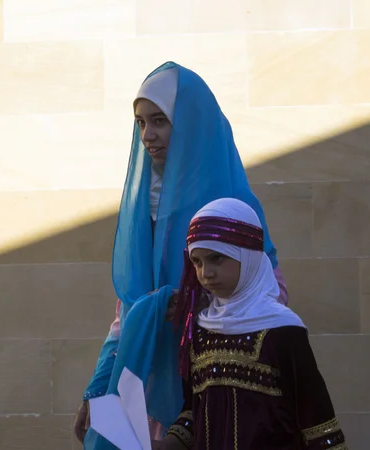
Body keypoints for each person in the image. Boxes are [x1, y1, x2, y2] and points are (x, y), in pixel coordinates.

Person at [74, 62, 289, 449]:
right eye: (140, 123)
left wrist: (197, 301)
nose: (148, 136)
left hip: (219, 389)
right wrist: (97, 390)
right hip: (147, 393)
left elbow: (273, 295)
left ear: (189, 124)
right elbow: (127, 314)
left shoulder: (231, 201)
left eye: (160, 121)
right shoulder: (143, 210)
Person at [153, 198, 346, 450]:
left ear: (247, 256)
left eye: (216, 258)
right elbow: (193, 409)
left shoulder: (283, 329)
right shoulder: (201, 329)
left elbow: (316, 419)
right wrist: (165, 445)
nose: (205, 273)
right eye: (197, 262)